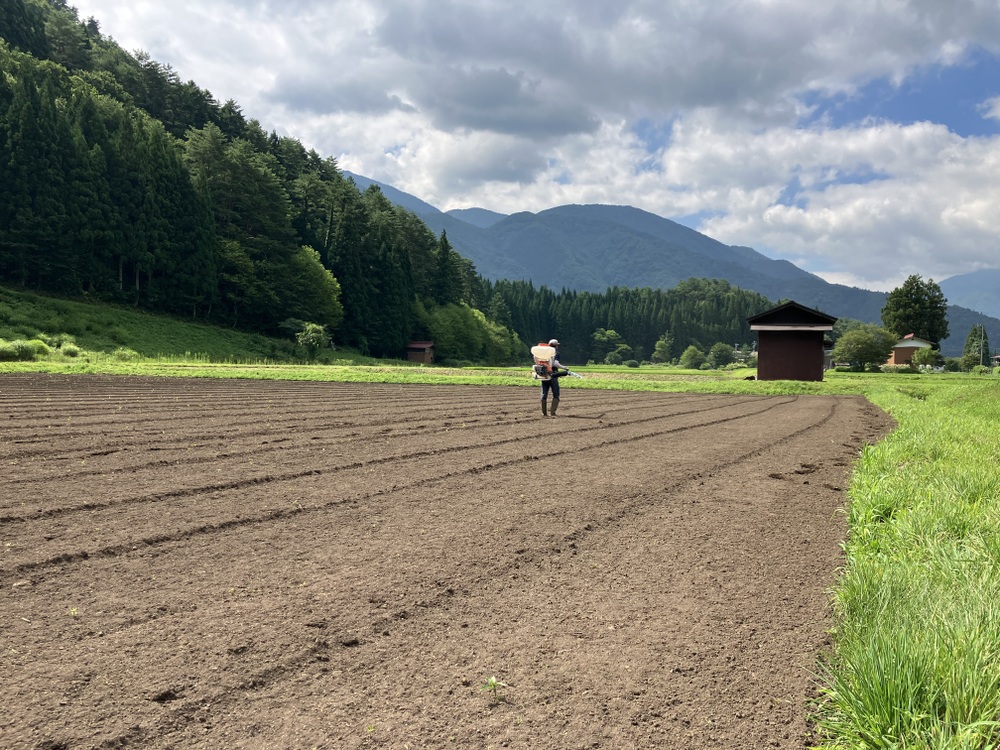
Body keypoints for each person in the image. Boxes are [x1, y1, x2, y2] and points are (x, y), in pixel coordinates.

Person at [540, 338, 569, 417]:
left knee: (544, 393)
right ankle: (553, 412)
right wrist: (564, 367)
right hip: (553, 374)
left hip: (544, 374)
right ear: (556, 346)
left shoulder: (544, 352)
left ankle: (544, 413)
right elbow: (555, 363)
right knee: (556, 393)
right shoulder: (556, 352)